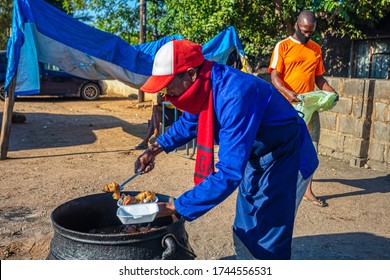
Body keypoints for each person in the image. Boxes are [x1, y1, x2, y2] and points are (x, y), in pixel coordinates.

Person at [134, 39, 318, 260]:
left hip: (287, 155)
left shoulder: (234, 95)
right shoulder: (203, 86)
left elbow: (229, 173)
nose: (164, 93)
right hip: (257, 155)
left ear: (190, 74)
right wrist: (155, 148)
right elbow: (189, 122)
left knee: (268, 232)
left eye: (167, 84)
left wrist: (176, 207)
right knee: (246, 223)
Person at [268, 10, 337, 207]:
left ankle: (307, 190)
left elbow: (319, 78)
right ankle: (275, 186)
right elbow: (275, 77)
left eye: (311, 32)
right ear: (297, 26)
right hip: (286, 107)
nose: (308, 35)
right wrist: (290, 94)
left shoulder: (315, 49)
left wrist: (331, 91)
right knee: (282, 148)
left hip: (309, 106)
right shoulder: (283, 46)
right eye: (305, 31)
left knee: (311, 148)